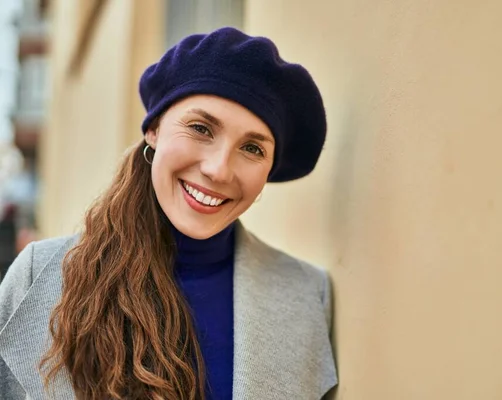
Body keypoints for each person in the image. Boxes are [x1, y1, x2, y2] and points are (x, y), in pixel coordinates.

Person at [0, 27, 337, 400]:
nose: (219, 170)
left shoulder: (307, 294)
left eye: (253, 149)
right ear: (155, 130)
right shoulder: (38, 275)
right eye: (200, 128)